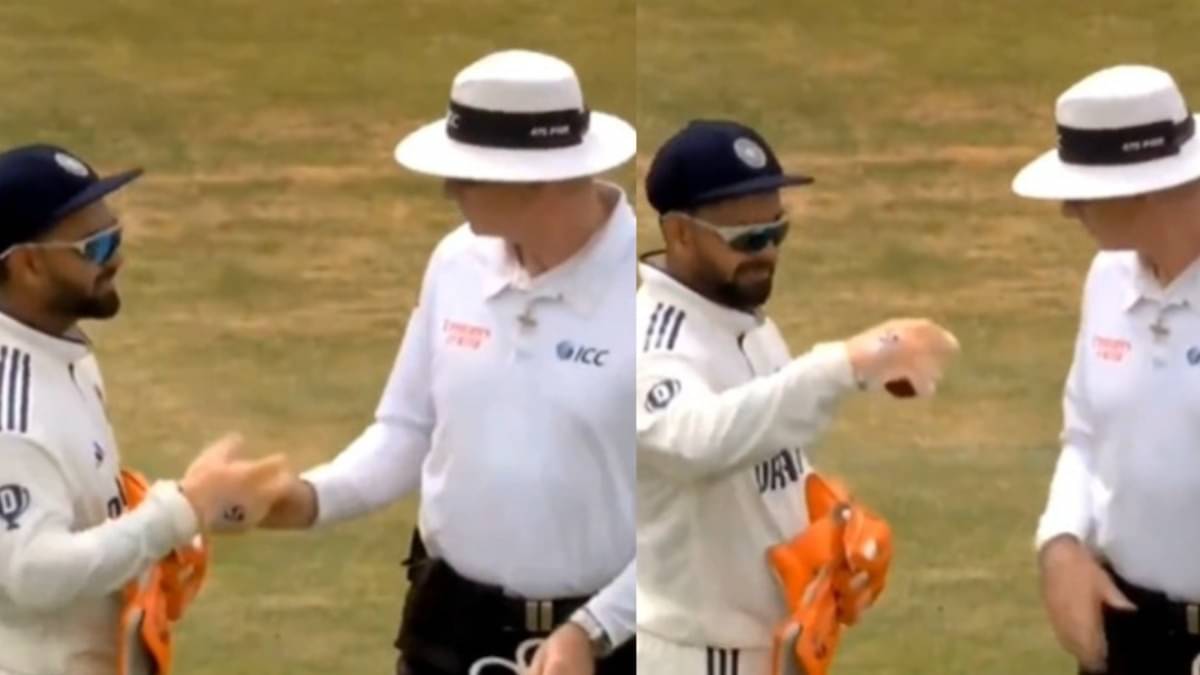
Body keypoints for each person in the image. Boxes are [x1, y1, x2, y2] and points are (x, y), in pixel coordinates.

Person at [261, 49, 638, 675]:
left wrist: (593, 632)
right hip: (448, 632)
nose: (448, 189)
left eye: (466, 174)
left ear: (535, 181)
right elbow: (407, 430)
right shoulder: (456, 262)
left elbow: (692, 520)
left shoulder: (654, 295)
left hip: (609, 649)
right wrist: (309, 497)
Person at [634, 119, 960, 674]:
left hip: (779, 651)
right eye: (746, 240)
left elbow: (765, 451)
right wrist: (848, 363)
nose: (766, 253)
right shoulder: (651, 345)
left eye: (776, 232)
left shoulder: (750, 324)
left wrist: (827, 529)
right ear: (681, 233)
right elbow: (700, 442)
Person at [0, 143, 290, 675]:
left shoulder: (63, 352)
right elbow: (32, 573)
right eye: (95, 244)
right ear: (29, 264)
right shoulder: (10, 414)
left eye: (116, 233)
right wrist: (179, 510)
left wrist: (191, 516)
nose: (117, 256)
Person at [1014, 64, 1200, 675]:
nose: (1068, 210)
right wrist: (1061, 542)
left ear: (1143, 190)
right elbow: (1087, 434)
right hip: (1132, 632)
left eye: (1084, 192)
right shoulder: (1109, 275)